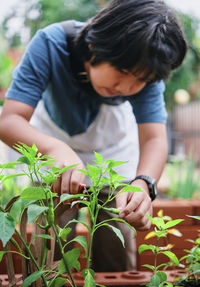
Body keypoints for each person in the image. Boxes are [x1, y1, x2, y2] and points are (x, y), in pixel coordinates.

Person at [0, 0, 187, 271]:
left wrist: (144, 184)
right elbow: (9, 120)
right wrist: (55, 150)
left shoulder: (147, 63)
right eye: (123, 73)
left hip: (111, 151)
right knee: (51, 239)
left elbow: (154, 138)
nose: (128, 87)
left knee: (116, 237)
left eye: (141, 81)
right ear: (93, 46)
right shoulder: (51, 44)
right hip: (50, 143)